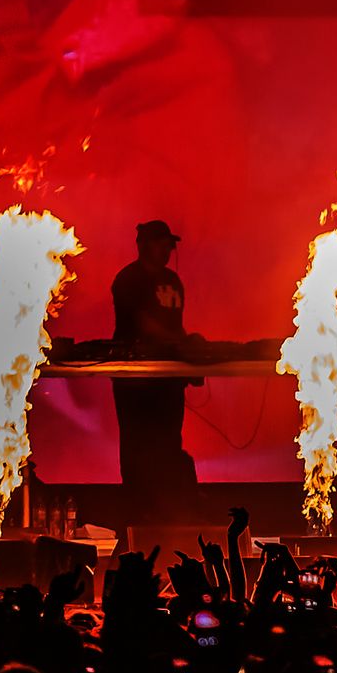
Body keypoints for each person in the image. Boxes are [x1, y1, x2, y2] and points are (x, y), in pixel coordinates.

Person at [111, 219, 198, 520]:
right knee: (137, 444)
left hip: (167, 382)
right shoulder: (128, 280)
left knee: (169, 442)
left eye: (170, 244)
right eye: (163, 242)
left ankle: (167, 511)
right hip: (135, 383)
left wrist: (189, 353)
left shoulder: (173, 282)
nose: (169, 249)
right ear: (144, 244)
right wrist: (179, 344)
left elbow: (175, 325)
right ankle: (139, 513)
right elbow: (142, 322)